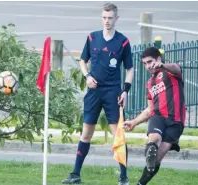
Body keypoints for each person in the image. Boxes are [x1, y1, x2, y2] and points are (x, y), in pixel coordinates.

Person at [62, 3, 134, 185]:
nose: (107, 21)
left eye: (110, 18)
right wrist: (87, 76)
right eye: (104, 17)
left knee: (118, 136)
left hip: (113, 93)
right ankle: (75, 174)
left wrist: (125, 90)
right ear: (101, 18)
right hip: (93, 92)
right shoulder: (92, 37)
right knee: (86, 133)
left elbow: (130, 69)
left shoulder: (123, 41)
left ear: (116, 18)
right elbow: (82, 61)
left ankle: (123, 177)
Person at [123, 47, 186, 185]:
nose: (148, 66)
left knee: (156, 159)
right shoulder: (150, 83)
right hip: (158, 117)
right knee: (154, 141)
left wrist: (163, 65)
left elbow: (176, 67)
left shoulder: (171, 72)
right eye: (144, 63)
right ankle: (150, 147)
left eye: (150, 62)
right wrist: (134, 122)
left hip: (176, 121)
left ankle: (141, 183)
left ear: (158, 59)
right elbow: (149, 110)